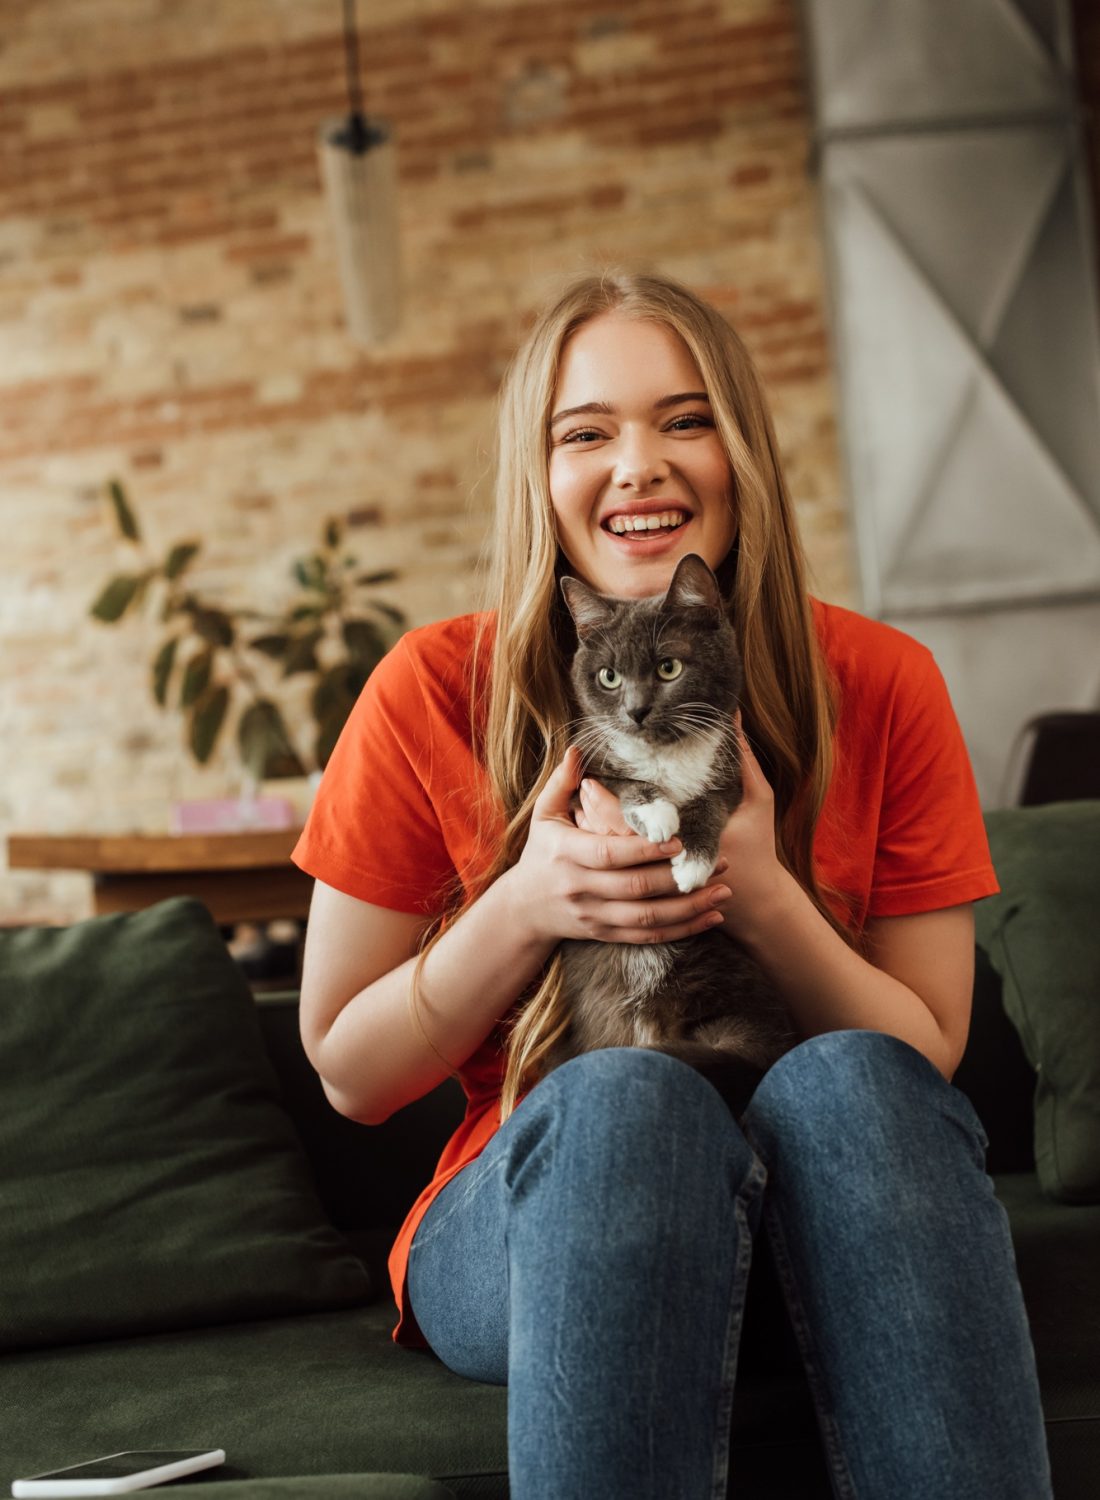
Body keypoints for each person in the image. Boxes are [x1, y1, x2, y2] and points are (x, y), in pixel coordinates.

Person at [291, 270, 1053, 1499]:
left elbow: (927, 1053)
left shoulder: (884, 681)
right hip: (545, 1209)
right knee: (621, 1103)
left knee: (859, 1080)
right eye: (585, 432)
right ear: (538, 476)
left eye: (684, 420)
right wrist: (529, 904)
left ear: (740, 452)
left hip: (833, 1194)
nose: (637, 464)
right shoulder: (433, 685)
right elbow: (347, 1068)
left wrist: (759, 892)